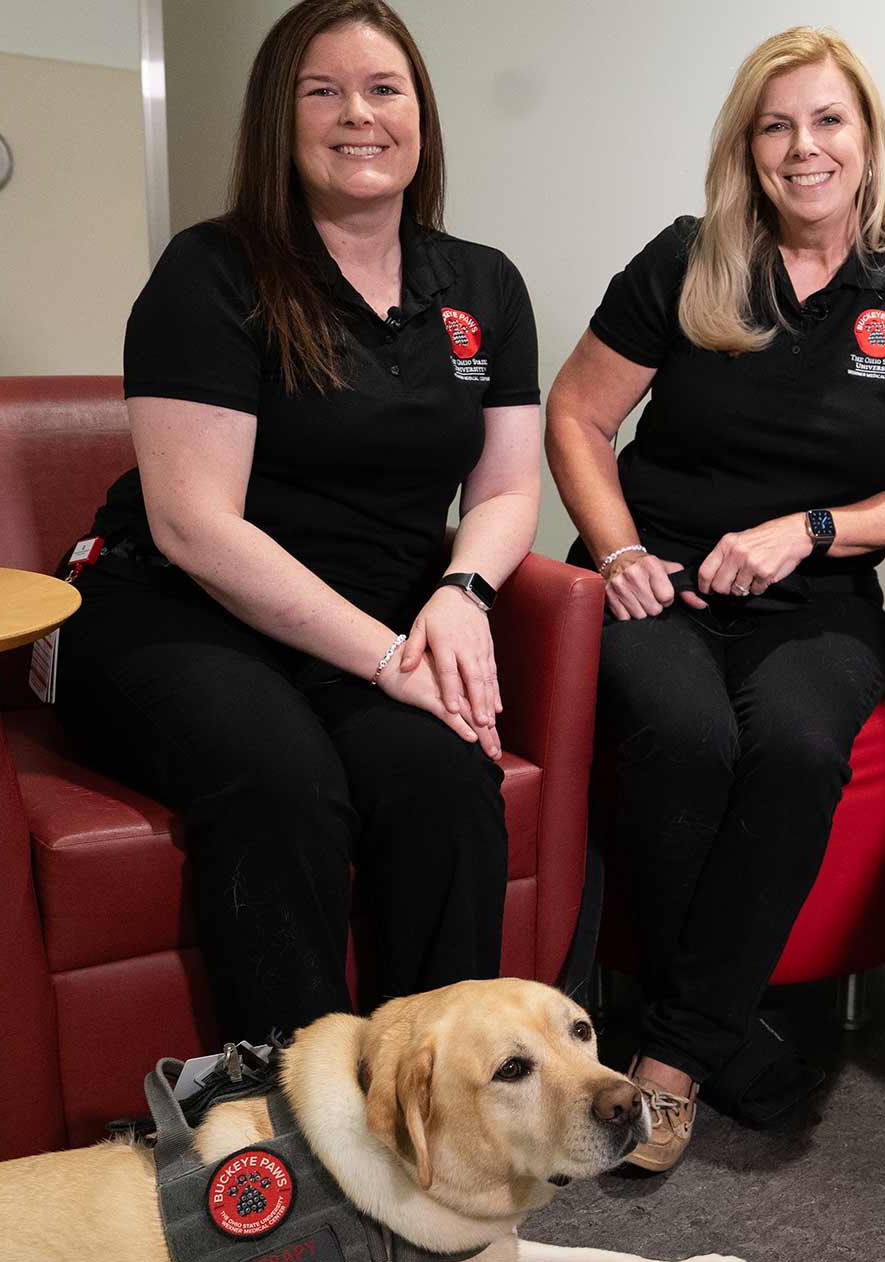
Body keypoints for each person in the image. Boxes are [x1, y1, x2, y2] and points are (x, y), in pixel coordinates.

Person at [54, 0, 543, 1045]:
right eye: (322, 91)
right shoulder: (212, 270)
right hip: (176, 609)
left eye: (383, 89)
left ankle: (437, 1113)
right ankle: (293, 1128)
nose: (356, 115)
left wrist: (460, 596)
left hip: (364, 621)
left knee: (448, 789)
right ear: (281, 117)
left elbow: (504, 491)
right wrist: (389, 659)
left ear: (422, 115)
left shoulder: (485, 286)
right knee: (284, 784)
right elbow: (195, 527)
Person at [545, 27, 885, 1174]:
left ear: (866, 138)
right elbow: (577, 416)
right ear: (748, 147)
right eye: (778, 124)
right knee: (685, 735)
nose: (805, 147)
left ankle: (673, 1049)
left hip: (819, 598)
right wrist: (619, 546)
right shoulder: (687, 260)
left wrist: (817, 527)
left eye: (828, 120)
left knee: (794, 746)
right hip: (664, 585)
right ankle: (721, 1040)